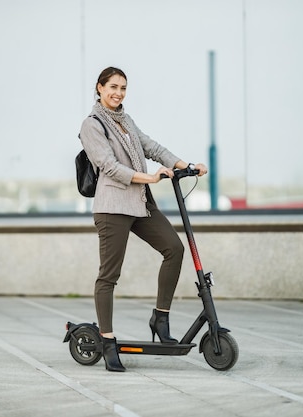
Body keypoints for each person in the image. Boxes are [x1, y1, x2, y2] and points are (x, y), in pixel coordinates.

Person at [79, 67, 208, 372]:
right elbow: (108, 166)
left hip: (139, 204)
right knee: (109, 275)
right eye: (113, 87)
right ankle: (107, 340)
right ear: (99, 88)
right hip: (113, 207)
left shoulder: (125, 120)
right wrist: (149, 178)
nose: (118, 93)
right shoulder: (92, 124)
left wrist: (185, 165)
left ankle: (160, 317)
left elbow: (151, 146)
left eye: (123, 88)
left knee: (174, 250)